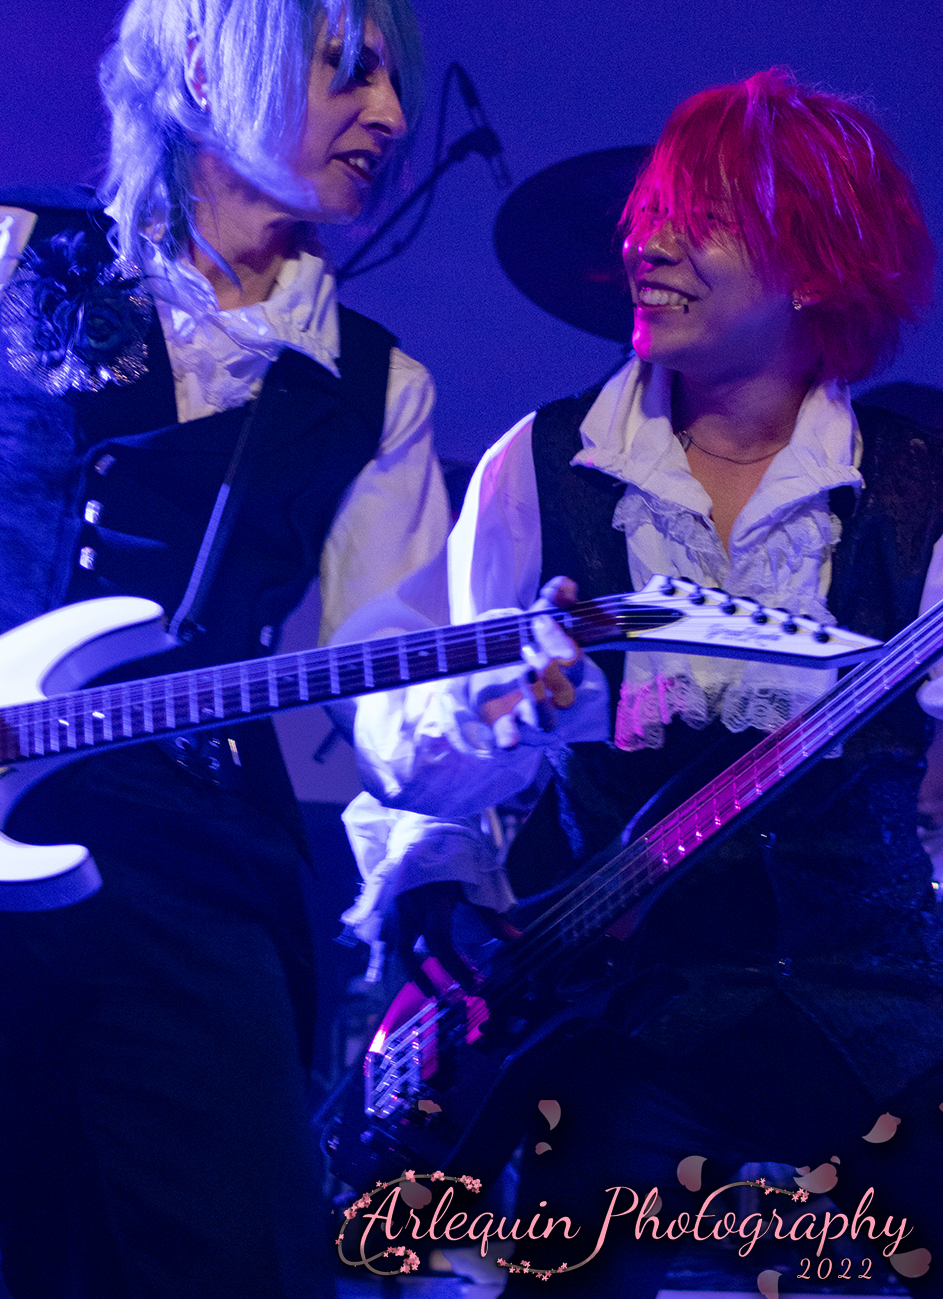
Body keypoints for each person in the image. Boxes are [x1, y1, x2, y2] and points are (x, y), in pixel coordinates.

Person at [342, 69, 943, 1294]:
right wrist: (508, 713)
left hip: (878, 1024)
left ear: (814, 263)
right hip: (618, 1021)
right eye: (649, 215)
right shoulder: (539, 467)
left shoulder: (917, 488)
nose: (646, 245)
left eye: (699, 219)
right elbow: (419, 764)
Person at [0, 0, 450, 1298]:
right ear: (204, 68)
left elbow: (389, 691)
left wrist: (502, 715)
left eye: (393, 79)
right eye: (346, 68)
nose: (389, 113)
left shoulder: (379, 386)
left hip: (193, 880)